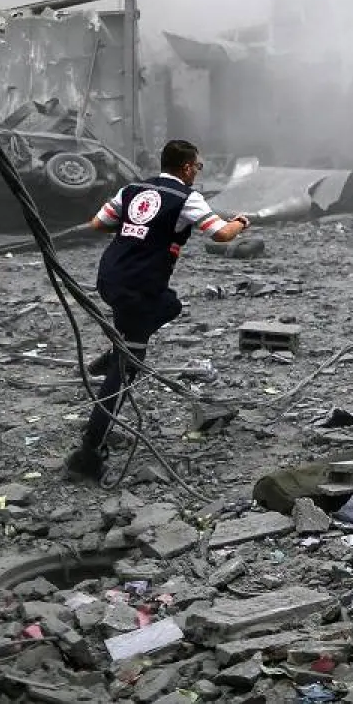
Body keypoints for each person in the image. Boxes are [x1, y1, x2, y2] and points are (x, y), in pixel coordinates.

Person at [63, 140, 251, 483]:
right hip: (139, 288)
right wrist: (240, 222)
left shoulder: (133, 189)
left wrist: (135, 231)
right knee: (126, 371)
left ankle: (117, 351)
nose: (198, 173)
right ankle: (88, 454)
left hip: (111, 277)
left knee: (170, 304)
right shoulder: (186, 198)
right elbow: (222, 235)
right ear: (187, 168)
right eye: (198, 167)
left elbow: (98, 223)